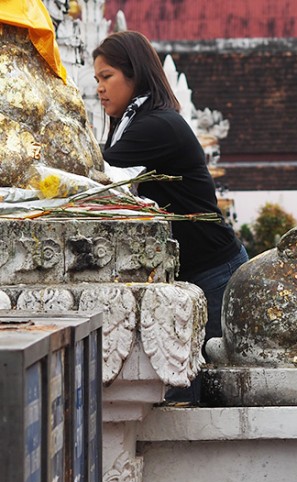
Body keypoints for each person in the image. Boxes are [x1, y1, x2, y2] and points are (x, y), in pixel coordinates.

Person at [94, 31, 248, 401]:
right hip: (195, 273)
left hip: (213, 274)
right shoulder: (135, 122)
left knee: (202, 391)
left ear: (135, 75)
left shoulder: (155, 125)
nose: (99, 89)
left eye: (107, 77)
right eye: (97, 79)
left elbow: (92, 172)